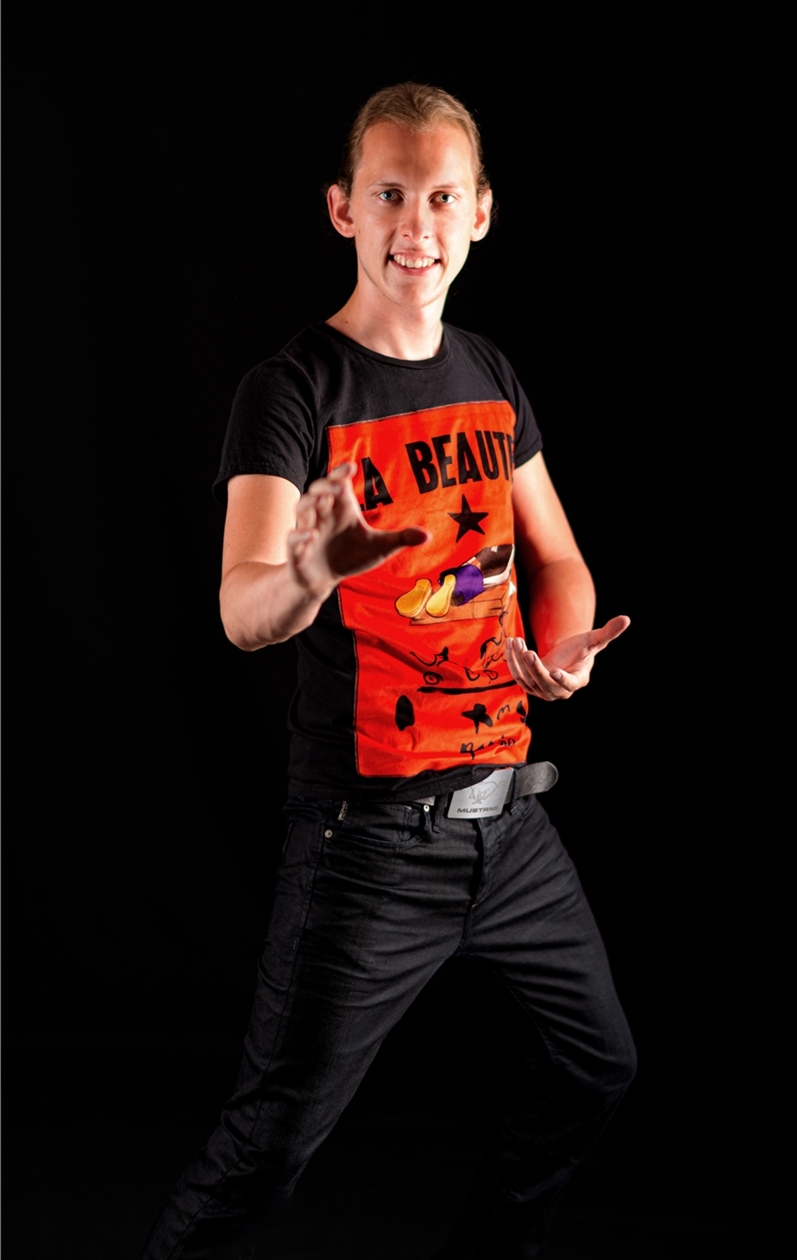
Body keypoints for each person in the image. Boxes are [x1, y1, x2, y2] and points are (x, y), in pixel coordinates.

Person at [140, 82, 636, 1260]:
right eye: (391, 196)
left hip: (511, 829)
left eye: (442, 198)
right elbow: (242, 610)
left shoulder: (489, 373)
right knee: (269, 1150)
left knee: (596, 1065)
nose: (418, 225)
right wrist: (312, 571)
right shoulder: (292, 390)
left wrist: (562, 650)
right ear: (343, 209)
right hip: (367, 845)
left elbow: (558, 559)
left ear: (482, 214)